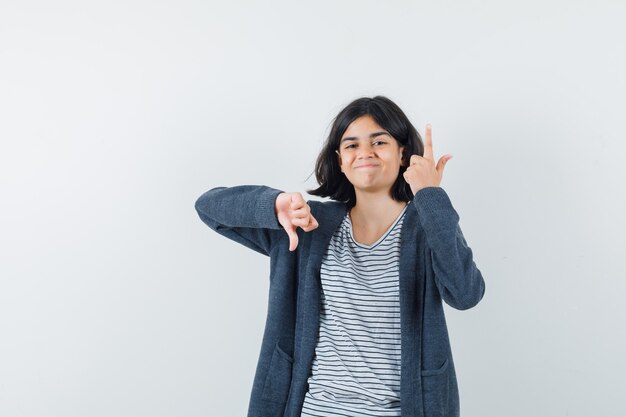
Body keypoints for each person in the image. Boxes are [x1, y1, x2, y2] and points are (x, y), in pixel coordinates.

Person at [194, 96, 486, 417]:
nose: (365, 152)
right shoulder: (308, 223)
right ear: (340, 160)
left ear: (403, 152)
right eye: (351, 145)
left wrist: (430, 195)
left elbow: (465, 293)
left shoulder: (425, 224)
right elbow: (209, 208)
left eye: (379, 141)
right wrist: (273, 205)